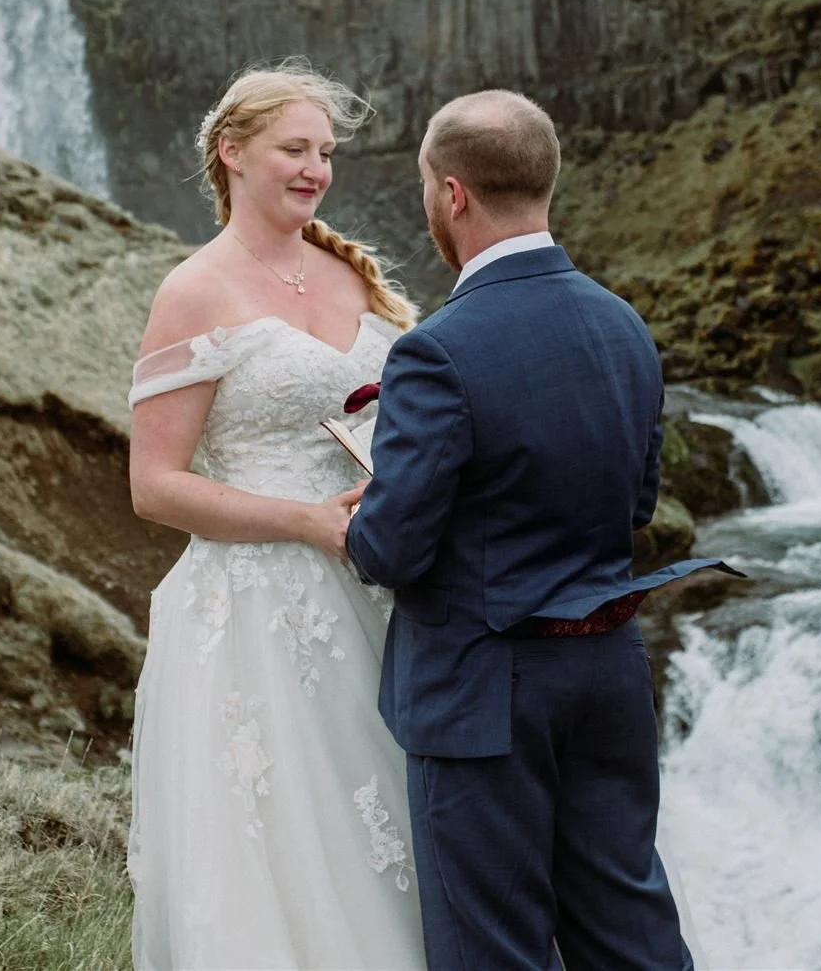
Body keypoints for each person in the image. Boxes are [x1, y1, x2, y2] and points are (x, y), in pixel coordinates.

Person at [345, 90, 742, 971]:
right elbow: (635, 505)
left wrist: (369, 500)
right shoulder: (622, 324)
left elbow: (392, 548)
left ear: (451, 194)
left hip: (483, 694)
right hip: (607, 677)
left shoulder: (437, 349)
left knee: (494, 949)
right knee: (630, 934)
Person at [125, 62, 427, 969]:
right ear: (233, 152)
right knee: (285, 860)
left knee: (390, 837)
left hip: (379, 591)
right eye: (295, 149)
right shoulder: (193, 291)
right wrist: (304, 521)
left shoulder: (347, 271)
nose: (315, 168)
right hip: (254, 617)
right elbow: (154, 484)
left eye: (325, 152)